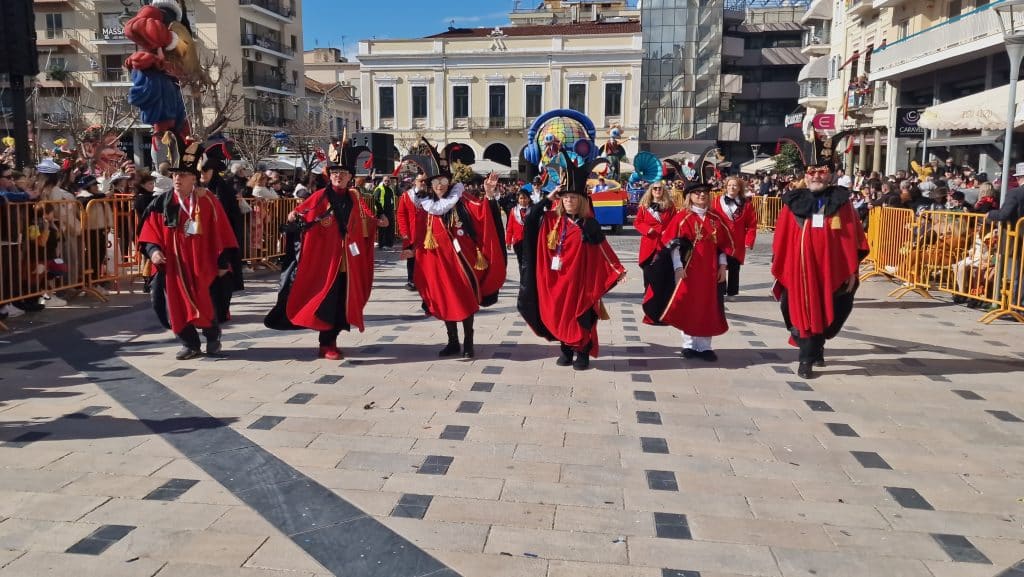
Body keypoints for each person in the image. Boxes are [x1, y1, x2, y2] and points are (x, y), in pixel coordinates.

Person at [264, 146, 376, 361]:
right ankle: (327, 343)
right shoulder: (319, 196)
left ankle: (332, 337)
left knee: (343, 301)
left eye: (343, 174)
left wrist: (377, 222)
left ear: (350, 177)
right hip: (326, 261)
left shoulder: (354, 197)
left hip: (347, 262)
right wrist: (293, 215)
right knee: (327, 301)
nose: (338, 177)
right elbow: (301, 214)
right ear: (329, 175)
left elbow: (366, 219)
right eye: (335, 173)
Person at [517, 153, 626, 371]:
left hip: (579, 282)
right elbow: (529, 217)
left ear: (582, 200)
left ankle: (582, 353)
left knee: (581, 316)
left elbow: (602, 250)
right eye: (565, 197)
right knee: (558, 315)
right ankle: (565, 350)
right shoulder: (551, 220)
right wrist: (548, 198)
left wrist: (616, 268)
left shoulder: (589, 224)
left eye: (573, 198)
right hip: (554, 280)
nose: (568, 201)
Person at [138, 141, 239, 360]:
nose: (177, 179)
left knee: (207, 303)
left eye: (182, 175)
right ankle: (189, 343)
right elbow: (149, 232)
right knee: (174, 306)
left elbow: (223, 232)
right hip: (174, 266)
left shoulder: (208, 201)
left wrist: (222, 263)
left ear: (194, 178)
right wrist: (154, 250)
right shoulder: (162, 203)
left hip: (203, 264)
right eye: (174, 175)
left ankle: (213, 337)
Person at [771, 162, 868, 379]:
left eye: (822, 172)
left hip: (829, 270)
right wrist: (780, 264)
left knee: (827, 310)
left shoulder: (841, 203)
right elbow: (781, 236)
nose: (816, 176)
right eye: (812, 172)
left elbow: (853, 238)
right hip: (797, 270)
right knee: (793, 309)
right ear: (805, 176)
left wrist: (851, 270)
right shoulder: (793, 201)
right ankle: (809, 354)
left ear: (831, 176)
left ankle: (809, 356)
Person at [412, 144, 505, 359]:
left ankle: (468, 343)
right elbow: (417, 230)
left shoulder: (462, 201)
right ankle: (452, 341)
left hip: (463, 262)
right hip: (439, 264)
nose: (440, 186)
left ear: (449, 181)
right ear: (430, 184)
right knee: (446, 299)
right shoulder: (427, 206)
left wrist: (489, 194)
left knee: (465, 300)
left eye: (443, 181)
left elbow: (482, 213)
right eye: (435, 182)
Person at [642, 181, 733, 361]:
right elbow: (673, 246)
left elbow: (722, 246)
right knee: (689, 305)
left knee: (709, 306)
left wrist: (723, 267)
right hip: (689, 270)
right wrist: (678, 268)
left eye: (705, 193)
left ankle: (705, 346)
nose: (701, 195)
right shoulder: (683, 217)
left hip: (711, 271)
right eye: (697, 192)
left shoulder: (716, 218)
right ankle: (689, 345)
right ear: (689, 196)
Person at [200, 146, 245, 321]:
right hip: (203, 239)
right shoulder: (195, 188)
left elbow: (228, 216)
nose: (203, 174)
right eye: (201, 171)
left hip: (223, 239)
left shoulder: (222, 189)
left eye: (206, 170)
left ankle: (222, 309)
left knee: (224, 274)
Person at [712, 176, 757, 297]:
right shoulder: (716, 202)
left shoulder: (746, 204)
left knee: (734, 267)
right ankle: (720, 290)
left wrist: (749, 240)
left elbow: (752, 224)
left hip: (737, 241)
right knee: (719, 265)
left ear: (739, 188)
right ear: (726, 187)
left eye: (735, 185)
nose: (732, 187)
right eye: (729, 185)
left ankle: (732, 292)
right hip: (721, 240)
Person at [634, 180, 679, 274]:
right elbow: (638, 222)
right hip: (649, 243)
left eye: (660, 188)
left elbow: (675, 223)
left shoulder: (670, 206)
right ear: (651, 191)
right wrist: (647, 229)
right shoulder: (644, 207)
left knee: (663, 274)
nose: (657, 190)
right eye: (655, 188)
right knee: (648, 273)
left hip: (665, 243)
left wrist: (667, 232)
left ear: (663, 190)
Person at [397, 175, 425, 291]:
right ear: (414, 182)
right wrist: (404, 232)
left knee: (425, 258)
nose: (423, 183)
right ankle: (411, 281)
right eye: (420, 181)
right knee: (411, 258)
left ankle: (425, 280)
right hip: (412, 233)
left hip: (426, 234)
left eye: (425, 181)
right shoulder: (406, 196)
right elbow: (401, 215)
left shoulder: (431, 195)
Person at [505, 189, 533, 275]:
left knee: (530, 262)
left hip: (530, 241)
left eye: (525, 198)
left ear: (529, 199)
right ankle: (523, 280)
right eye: (521, 198)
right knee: (521, 262)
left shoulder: (532, 210)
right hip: (518, 241)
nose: (523, 200)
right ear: (518, 199)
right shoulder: (514, 211)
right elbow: (509, 227)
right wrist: (508, 241)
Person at [374, 176, 396, 249]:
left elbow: (392, 201)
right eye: (385, 181)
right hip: (382, 212)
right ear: (383, 181)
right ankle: (382, 244)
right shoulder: (379, 189)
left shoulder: (390, 189)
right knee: (383, 229)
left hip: (390, 211)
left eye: (388, 181)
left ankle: (389, 244)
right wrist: (381, 213)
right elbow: (376, 201)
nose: (387, 182)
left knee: (390, 228)